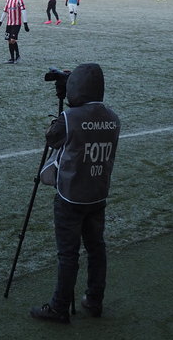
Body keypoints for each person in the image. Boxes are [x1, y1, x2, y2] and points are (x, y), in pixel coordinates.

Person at [30, 63, 121, 324]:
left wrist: (64, 109)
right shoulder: (113, 118)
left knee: (68, 254)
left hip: (71, 195)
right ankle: (94, 300)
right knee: (96, 248)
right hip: (98, 193)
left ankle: (59, 307)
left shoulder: (70, 118)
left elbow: (52, 138)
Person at [0, 0, 29, 64]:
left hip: (16, 24)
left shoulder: (19, 0)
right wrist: (0, 22)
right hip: (9, 24)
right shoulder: (8, 0)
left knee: (13, 40)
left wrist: (25, 23)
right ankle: (12, 58)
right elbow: (5, 11)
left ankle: (17, 56)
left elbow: (23, 11)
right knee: (9, 41)